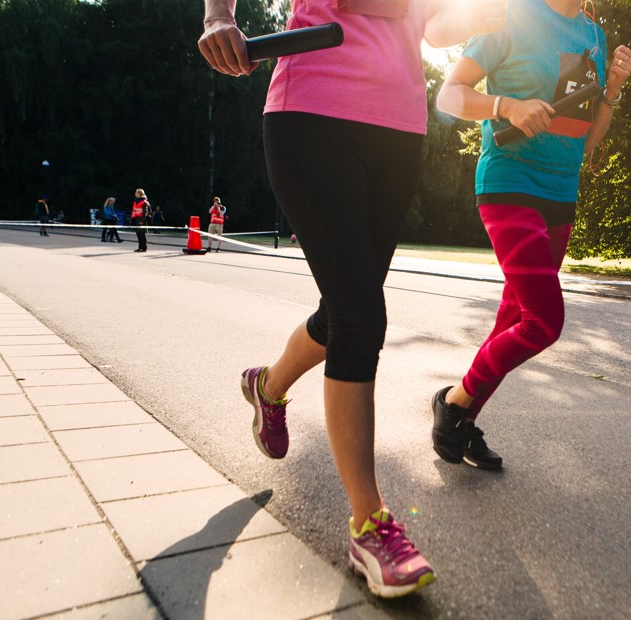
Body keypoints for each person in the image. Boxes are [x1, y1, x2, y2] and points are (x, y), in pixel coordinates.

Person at [199, 0, 506, 598]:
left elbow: (433, 23)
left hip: (397, 126)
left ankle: (266, 387)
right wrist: (217, 15)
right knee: (361, 314)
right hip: (314, 107)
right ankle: (371, 526)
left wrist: (485, 17)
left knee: (346, 308)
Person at [430, 0, 631, 470]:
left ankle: (463, 417)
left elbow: (589, 138)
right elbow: (449, 95)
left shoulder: (594, 37)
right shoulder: (510, 15)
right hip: (510, 182)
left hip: (561, 193)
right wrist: (506, 106)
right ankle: (454, 404)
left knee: (514, 318)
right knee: (544, 321)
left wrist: (614, 89)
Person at [130, 188, 149, 252]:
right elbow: (134, 210)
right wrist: (132, 219)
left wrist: (142, 221)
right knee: (138, 234)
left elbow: (144, 212)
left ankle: (144, 247)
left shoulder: (144, 202)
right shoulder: (136, 201)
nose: (135, 193)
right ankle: (140, 247)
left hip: (141, 219)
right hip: (136, 219)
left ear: (140, 194)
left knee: (142, 234)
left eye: (136, 192)